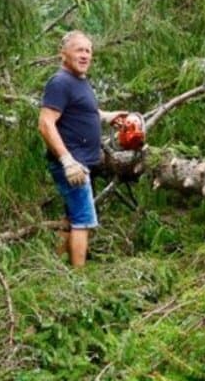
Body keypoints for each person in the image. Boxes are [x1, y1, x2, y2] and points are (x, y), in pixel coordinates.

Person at [38, 31, 137, 267]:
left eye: (88, 51)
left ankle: (56, 270)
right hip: (75, 166)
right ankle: (79, 283)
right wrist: (68, 162)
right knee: (83, 221)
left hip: (82, 164)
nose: (84, 55)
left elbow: (83, 111)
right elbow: (45, 123)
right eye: (79, 50)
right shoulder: (60, 82)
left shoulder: (79, 82)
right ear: (63, 54)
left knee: (71, 219)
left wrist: (107, 116)